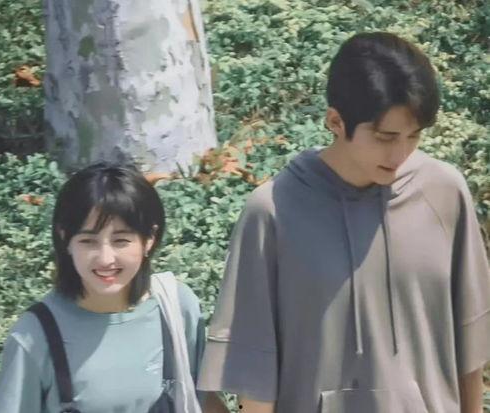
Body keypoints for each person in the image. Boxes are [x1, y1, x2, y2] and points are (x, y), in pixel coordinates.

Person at [197, 32, 490, 412]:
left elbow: (470, 344)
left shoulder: (443, 192)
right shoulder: (272, 211)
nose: (401, 152)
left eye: (414, 136)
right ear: (335, 121)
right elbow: (256, 372)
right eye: (385, 137)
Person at [0, 163, 208, 412]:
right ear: (65, 238)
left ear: (149, 239)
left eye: (121, 240)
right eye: (88, 241)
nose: (105, 258)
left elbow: (207, 401)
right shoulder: (34, 335)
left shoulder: (176, 308)